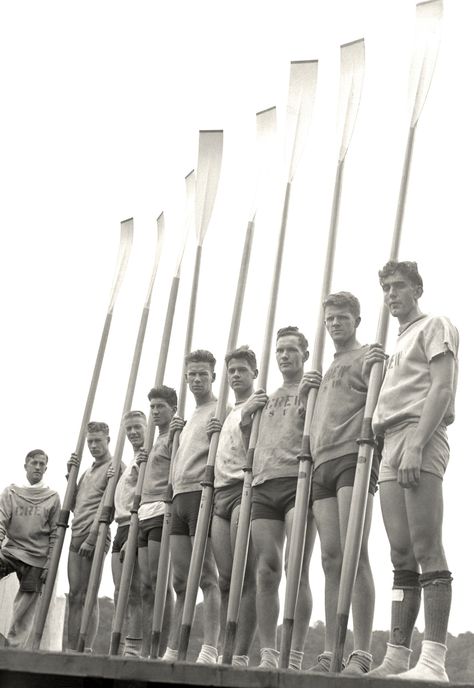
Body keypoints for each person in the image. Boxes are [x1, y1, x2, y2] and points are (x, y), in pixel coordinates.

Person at [367, 261, 459, 682]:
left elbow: (442, 386)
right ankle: (397, 654)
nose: (391, 294)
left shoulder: (434, 325)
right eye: (385, 287)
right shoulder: (395, 344)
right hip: (389, 443)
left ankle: (434, 659)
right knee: (400, 554)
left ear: (417, 288)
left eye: (399, 286)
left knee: (426, 548)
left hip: (419, 432)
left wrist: (418, 443)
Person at [299, 291, 386, 674]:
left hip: (355, 456)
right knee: (330, 558)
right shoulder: (323, 370)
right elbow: (308, 418)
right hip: (322, 463)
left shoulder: (368, 357)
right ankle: (331, 650)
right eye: (330, 319)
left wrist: (379, 370)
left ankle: (362, 651)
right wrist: (305, 393)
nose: (335, 324)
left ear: (356, 320)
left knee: (355, 553)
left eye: (342, 318)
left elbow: (384, 402)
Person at [246, 326, 321, 670]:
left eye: (291, 350)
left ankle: (294, 654)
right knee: (266, 571)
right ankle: (269, 653)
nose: (284, 356)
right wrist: (247, 416)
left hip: (298, 481)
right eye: (279, 351)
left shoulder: (312, 388)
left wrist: (309, 398)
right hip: (264, 482)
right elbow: (249, 442)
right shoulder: (266, 397)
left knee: (296, 568)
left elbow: (322, 428)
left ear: (305, 354)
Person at [208, 346, 267, 667]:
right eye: (231, 371)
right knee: (225, 579)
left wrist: (248, 418)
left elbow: (258, 447)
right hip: (219, 491)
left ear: (254, 373)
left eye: (242, 370)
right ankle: (223, 647)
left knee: (246, 577)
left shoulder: (259, 404)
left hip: (245, 488)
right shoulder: (226, 411)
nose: (235, 375)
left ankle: (241, 653)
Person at [163, 350, 221, 664]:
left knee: (208, 576)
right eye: (191, 375)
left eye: (202, 374)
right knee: (180, 580)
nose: (196, 379)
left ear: (213, 376)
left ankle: (210, 647)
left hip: (202, 494)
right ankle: (175, 648)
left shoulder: (218, 409)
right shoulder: (185, 420)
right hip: (179, 498)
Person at [0, 449, 60, 647]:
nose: (38, 467)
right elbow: (1, 521)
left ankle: (13, 648)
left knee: (25, 606)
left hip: (37, 557)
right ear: (25, 465)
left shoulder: (52, 497)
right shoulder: (11, 492)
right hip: (12, 551)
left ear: (46, 469)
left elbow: (55, 533)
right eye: (34, 463)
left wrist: (49, 562)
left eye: (42, 464)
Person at [66, 421, 116, 652]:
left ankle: (85, 648)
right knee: (74, 595)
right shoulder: (88, 470)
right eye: (90, 442)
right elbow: (77, 506)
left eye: (98, 441)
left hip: (94, 535)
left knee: (88, 595)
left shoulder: (114, 467)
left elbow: (107, 507)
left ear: (108, 440)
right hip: (77, 533)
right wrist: (71, 479)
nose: (94, 445)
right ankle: (71, 647)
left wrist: (93, 536)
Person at [137, 386, 176, 658]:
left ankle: (160, 649)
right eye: (152, 407)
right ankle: (148, 646)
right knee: (146, 585)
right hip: (142, 512)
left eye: (160, 406)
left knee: (160, 580)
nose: (155, 412)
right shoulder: (153, 441)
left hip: (162, 510)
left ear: (172, 407)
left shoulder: (174, 434)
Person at [109, 410, 148, 656]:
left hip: (137, 523)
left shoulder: (147, 455)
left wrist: (135, 532)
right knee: (118, 591)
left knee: (134, 590)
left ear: (147, 427)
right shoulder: (131, 459)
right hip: (120, 526)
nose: (133, 432)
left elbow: (147, 495)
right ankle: (119, 644)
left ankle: (133, 647)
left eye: (137, 427)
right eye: (129, 428)